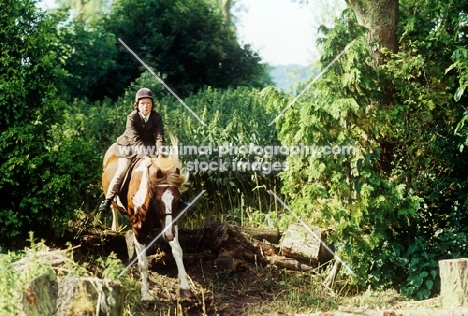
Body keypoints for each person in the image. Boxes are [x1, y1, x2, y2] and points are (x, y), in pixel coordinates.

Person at [99, 87, 165, 212]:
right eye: (142, 103)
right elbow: (135, 140)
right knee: (121, 171)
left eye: (148, 103)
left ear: (152, 105)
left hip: (149, 148)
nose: (145, 106)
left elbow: (159, 137)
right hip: (129, 147)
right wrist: (145, 157)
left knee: (165, 169)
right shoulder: (132, 117)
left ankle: (176, 200)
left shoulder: (156, 117)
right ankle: (108, 200)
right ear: (137, 105)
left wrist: (160, 155)